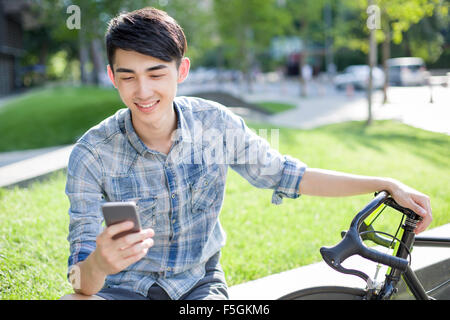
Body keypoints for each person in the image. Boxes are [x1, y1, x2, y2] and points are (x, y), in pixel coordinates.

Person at [60, 7, 432, 300]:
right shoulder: (91, 154)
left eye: (156, 73)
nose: (142, 91)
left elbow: (289, 174)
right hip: (121, 291)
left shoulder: (215, 125)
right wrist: (99, 262)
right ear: (112, 76)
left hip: (197, 289)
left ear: (181, 70)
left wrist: (385, 182)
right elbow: (80, 279)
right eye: (128, 76)